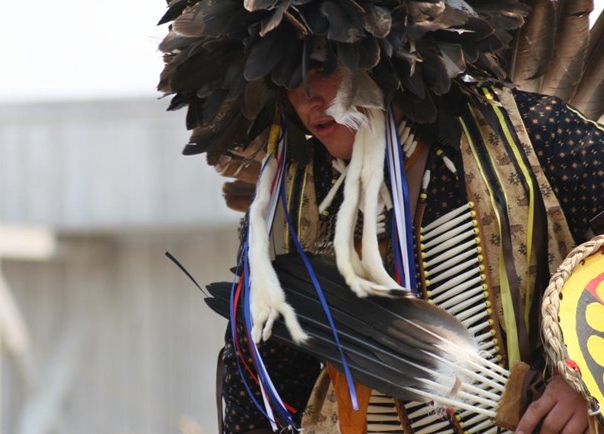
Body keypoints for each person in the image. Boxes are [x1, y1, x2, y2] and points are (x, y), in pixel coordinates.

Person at [157, 0, 604, 432]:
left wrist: (585, 378)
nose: (308, 98)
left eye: (323, 66)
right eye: (287, 79)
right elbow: (259, 388)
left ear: (380, 55)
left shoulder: (528, 136)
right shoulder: (290, 208)